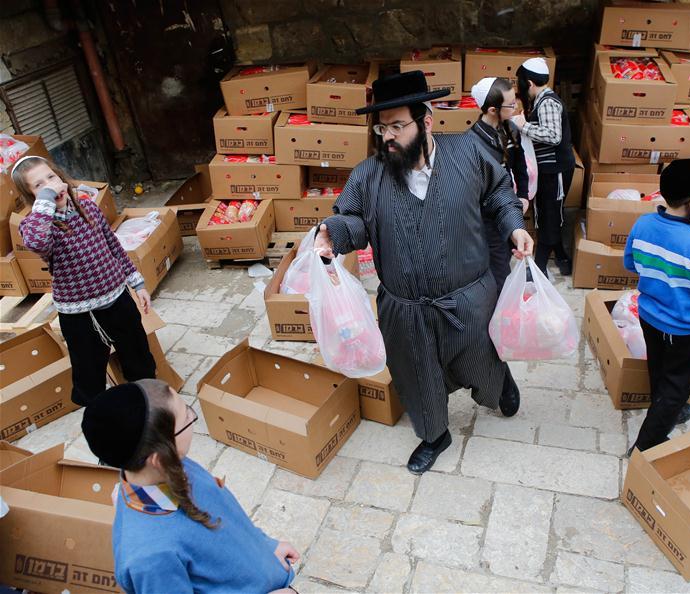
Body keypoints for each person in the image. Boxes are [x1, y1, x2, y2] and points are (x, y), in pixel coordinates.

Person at [314, 71, 534, 474]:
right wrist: (333, 233)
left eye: (398, 125)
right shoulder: (368, 175)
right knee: (417, 376)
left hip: (468, 299)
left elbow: (501, 194)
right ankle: (435, 434)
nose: (388, 137)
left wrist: (515, 226)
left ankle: (499, 385)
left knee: (481, 358)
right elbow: (353, 220)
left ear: (426, 120)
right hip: (406, 309)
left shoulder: (468, 155)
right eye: (382, 128)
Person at [81, 379, 300, 594]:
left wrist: (266, 546)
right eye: (186, 417)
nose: (192, 417)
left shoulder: (173, 465)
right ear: (158, 458)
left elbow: (225, 516)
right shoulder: (149, 559)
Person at [13, 156, 155, 406]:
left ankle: (147, 400)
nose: (49, 185)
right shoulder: (37, 226)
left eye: (51, 177)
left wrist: (138, 284)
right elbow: (36, 242)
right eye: (38, 186)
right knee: (89, 372)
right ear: (32, 197)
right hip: (79, 314)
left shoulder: (88, 208)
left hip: (117, 299)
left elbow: (114, 247)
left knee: (138, 356)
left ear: (61, 178)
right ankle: (101, 414)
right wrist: (46, 200)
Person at [623, 159, 690, 454]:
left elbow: (630, 263)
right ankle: (647, 444)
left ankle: (668, 408)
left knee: (658, 368)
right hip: (684, 328)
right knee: (677, 386)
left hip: (649, 316)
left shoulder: (643, 223)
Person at [511, 57, 576, 277]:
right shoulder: (541, 100)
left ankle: (538, 268)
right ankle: (561, 255)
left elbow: (553, 135)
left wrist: (524, 126)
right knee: (548, 213)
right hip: (548, 170)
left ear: (529, 83)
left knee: (550, 215)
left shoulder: (547, 101)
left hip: (555, 170)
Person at [468, 76, 531, 293]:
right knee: (497, 268)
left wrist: (523, 195)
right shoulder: (472, 142)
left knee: (503, 261)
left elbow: (520, 166)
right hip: (486, 217)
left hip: (508, 208)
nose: (515, 108)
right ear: (493, 109)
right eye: (511, 104)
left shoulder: (511, 129)